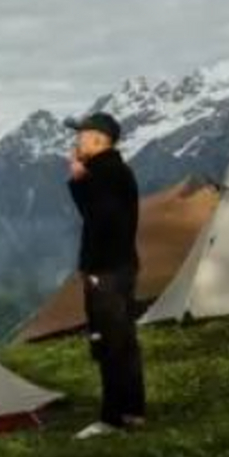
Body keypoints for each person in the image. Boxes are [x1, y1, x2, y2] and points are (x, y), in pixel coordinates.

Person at [66, 111, 147, 438]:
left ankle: (111, 419)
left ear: (99, 140)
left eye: (82, 135)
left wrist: (78, 180)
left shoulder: (104, 172)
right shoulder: (114, 170)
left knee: (109, 342)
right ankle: (132, 410)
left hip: (107, 271)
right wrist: (80, 179)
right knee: (125, 341)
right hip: (121, 266)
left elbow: (100, 219)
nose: (77, 140)